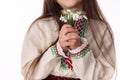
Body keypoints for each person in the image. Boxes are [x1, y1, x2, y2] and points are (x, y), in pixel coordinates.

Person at [21, 0, 116, 80]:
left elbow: (105, 76)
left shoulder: (100, 29)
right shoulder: (41, 28)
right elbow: (30, 74)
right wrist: (57, 49)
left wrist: (79, 49)